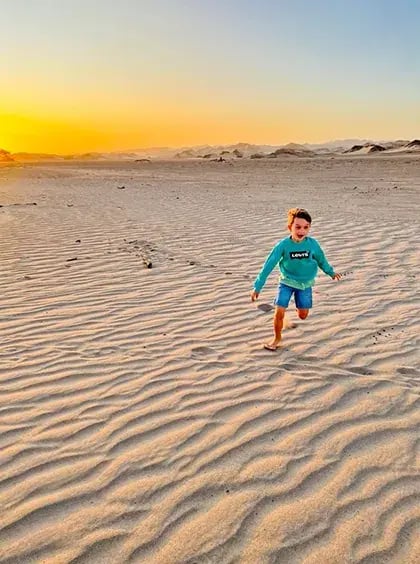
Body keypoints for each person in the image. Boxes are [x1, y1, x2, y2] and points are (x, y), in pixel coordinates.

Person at [251, 208, 341, 351]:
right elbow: (269, 265)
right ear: (290, 227)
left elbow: (321, 260)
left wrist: (330, 272)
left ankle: (288, 318)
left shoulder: (312, 244)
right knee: (279, 310)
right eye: (297, 227)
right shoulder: (283, 245)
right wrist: (258, 286)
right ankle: (276, 338)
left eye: (306, 227)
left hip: (305, 284)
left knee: (303, 315)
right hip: (286, 281)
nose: (301, 231)